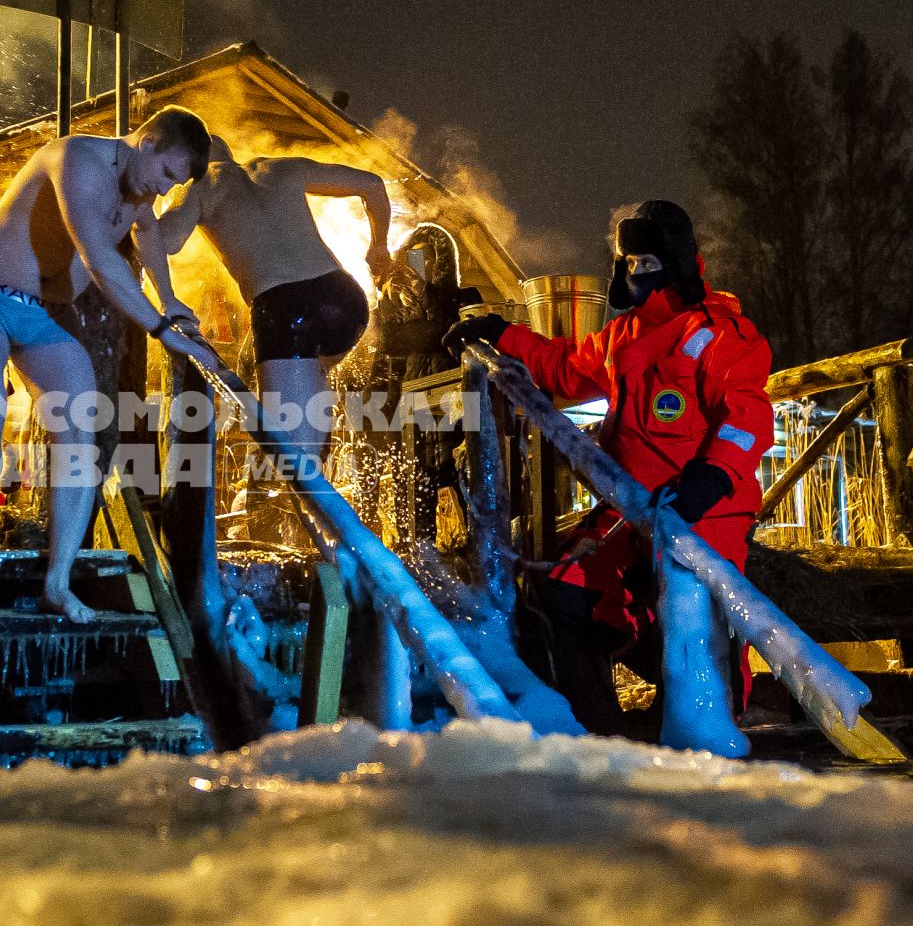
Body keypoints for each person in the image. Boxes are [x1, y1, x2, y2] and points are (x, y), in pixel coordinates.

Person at [444, 199, 773, 730]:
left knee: (694, 617)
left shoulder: (722, 335)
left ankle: (706, 725)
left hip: (703, 512)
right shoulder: (624, 335)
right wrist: (499, 332)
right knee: (563, 592)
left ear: (680, 261)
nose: (640, 274)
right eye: (631, 264)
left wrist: (708, 481)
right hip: (626, 511)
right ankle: (598, 729)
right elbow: (563, 368)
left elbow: (749, 418)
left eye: (650, 262)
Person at [0, 106, 224, 621]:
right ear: (146, 142)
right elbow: (102, 262)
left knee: (80, 422)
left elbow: (146, 234)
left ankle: (58, 582)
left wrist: (169, 297)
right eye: (167, 175)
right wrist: (159, 327)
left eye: (175, 186)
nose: (163, 192)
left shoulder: (139, 192)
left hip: (41, 314)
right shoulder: (77, 159)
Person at [155, 136, 393, 464]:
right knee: (310, 381)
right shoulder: (279, 168)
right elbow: (372, 184)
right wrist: (379, 246)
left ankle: (313, 469)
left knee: (295, 460)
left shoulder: (197, 187)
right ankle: (319, 410)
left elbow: (163, 240)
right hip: (344, 300)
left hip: (285, 312)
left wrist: (136, 210)